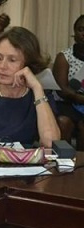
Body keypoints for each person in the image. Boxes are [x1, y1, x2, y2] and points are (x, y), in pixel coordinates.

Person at [52, 15, 84, 150]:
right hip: (66, 104)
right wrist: (80, 99)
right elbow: (62, 89)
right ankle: (63, 163)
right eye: (81, 29)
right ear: (74, 33)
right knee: (64, 122)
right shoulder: (64, 56)